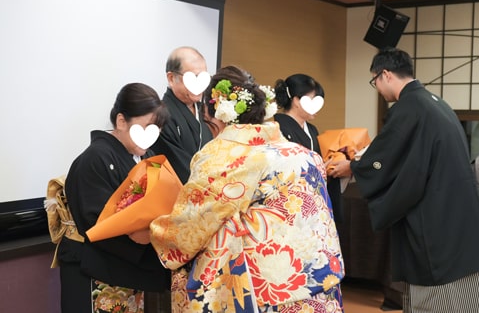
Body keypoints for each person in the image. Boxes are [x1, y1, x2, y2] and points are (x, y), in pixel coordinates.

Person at [150, 65, 345, 312]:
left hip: (262, 289)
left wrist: (159, 233)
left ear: (214, 112)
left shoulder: (223, 156)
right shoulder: (306, 156)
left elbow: (196, 220)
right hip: (316, 280)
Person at [332, 47, 479, 313]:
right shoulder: (435, 102)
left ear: (385, 75)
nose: (377, 88)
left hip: (435, 219)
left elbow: (384, 158)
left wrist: (352, 166)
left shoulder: (408, 108)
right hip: (457, 212)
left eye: (374, 81)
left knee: (442, 289)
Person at [58, 83, 171, 313]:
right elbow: (96, 220)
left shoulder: (144, 156)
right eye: (146, 128)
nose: (151, 138)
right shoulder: (95, 158)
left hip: (123, 265)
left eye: (156, 130)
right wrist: (141, 237)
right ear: (121, 121)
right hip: (93, 266)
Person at [274, 74, 343, 222]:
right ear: (296, 100)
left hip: (314, 197)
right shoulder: (277, 126)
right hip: (290, 197)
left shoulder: (312, 129)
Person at [151, 46, 213, 184]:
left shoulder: (204, 110)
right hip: (182, 192)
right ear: (172, 78)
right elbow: (177, 165)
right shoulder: (161, 115)